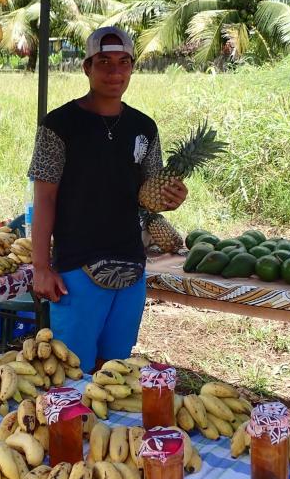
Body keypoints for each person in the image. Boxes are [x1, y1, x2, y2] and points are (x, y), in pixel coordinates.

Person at [27, 26, 187, 372]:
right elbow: (44, 199)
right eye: (104, 62)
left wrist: (171, 198)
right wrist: (40, 267)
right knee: (71, 371)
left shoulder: (144, 127)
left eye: (123, 62)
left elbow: (149, 194)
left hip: (131, 264)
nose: (115, 72)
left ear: (132, 67)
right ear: (87, 67)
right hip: (77, 269)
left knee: (113, 370)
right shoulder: (58, 125)